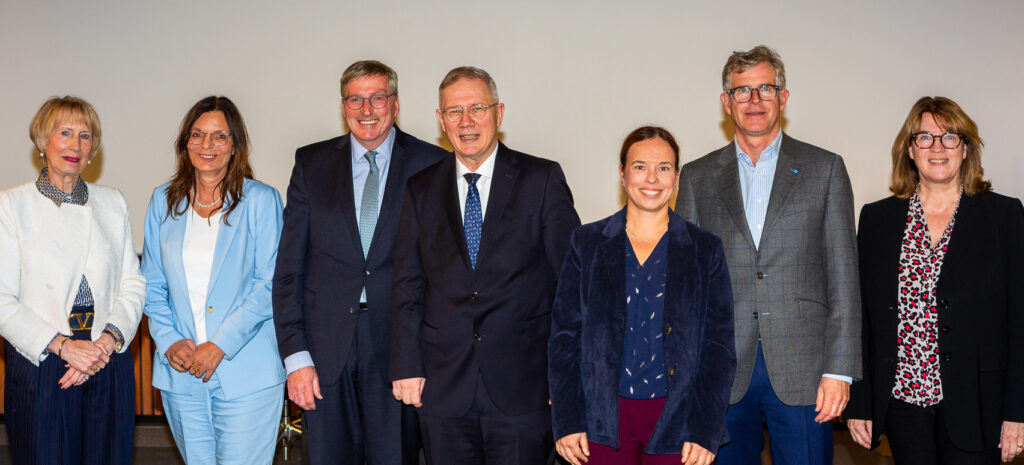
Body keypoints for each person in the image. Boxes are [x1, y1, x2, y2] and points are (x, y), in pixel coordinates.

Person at [674, 45, 861, 465]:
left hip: (805, 372)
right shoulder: (698, 177)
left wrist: (839, 370)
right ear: (726, 102)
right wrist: (687, 377)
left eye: (765, 89)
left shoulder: (825, 168)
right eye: (742, 91)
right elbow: (687, 288)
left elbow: (844, 276)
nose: (755, 101)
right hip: (721, 371)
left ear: (784, 97)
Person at [390, 66, 581, 465]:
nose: (466, 121)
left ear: (500, 112)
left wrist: (565, 373)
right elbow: (408, 284)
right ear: (440, 120)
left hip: (524, 386)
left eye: (477, 108)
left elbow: (572, 284)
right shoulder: (420, 189)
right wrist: (406, 364)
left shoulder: (541, 179)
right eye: (454, 111)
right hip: (443, 387)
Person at [273, 60, 447, 465]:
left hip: (400, 349)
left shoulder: (433, 164)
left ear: (396, 104)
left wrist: (428, 357)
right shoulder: (311, 164)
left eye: (377, 98)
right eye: (355, 99)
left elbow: (441, 273)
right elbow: (288, 272)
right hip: (324, 353)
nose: (366, 110)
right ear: (343, 105)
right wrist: (296, 358)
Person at [845, 96, 1024, 464]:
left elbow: (1020, 322)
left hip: (979, 404)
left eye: (950, 137)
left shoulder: (1004, 216)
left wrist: (1016, 411)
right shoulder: (878, 219)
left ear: (965, 148)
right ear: (910, 149)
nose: (938, 147)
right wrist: (859, 402)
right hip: (902, 403)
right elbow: (860, 318)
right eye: (925, 137)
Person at [549, 126, 736, 465]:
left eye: (663, 167)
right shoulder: (587, 243)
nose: (652, 178)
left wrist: (705, 428)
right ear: (622, 174)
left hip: (678, 422)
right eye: (640, 166)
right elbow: (564, 339)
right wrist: (567, 420)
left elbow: (718, 349)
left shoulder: (705, 249)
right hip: (600, 420)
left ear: (676, 176)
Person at [0, 96, 145, 464]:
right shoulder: (11, 206)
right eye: (64, 133)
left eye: (85, 136)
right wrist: (63, 346)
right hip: (43, 363)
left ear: (93, 149)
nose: (75, 145)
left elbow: (132, 284)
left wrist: (106, 343)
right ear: (41, 142)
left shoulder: (112, 202)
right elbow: (2, 298)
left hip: (107, 357)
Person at [141, 96, 285, 464]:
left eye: (219, 136)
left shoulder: (261, 201)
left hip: (247, 373)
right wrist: (169, 340)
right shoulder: (163, 202)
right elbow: (152, 284)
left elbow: (269, 284)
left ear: (235, 145)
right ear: (184, 143)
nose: (207, 146)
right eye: (197, 135)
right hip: (182, 371)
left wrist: (219, 344)